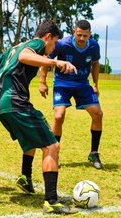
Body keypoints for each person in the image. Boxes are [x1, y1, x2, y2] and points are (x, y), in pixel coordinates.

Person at [0, 19, 78, 214]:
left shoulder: (15, 47)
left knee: (34, 136)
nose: (54, 47)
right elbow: (25, 56)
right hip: (12, 100)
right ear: (47, 37)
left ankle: (25, 177)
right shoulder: (35, 45)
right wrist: (55, 61)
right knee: (51, 145)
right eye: (55, 42)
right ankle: (51, 201)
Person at [39, 20, 104, 169]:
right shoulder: (62, 44)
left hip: (83, 84)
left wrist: (95, 84)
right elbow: (46, 60)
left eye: (85, 36)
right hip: (62, 84)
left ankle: (94, 153)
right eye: (79, 34)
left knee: (98, 114)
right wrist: (42, 82)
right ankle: (54, 153)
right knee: (58, 116)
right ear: (74, 32)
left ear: (90, 35)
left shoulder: (94, 46)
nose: (81, 38)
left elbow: (95, 64)